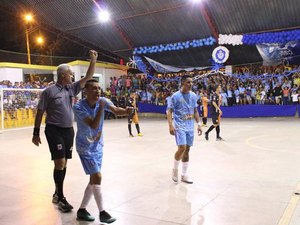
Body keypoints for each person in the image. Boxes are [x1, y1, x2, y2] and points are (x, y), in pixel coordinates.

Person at [32, 50, 98, 212]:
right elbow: (40, 111)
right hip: (54, 129)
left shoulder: (71, 89)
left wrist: (93, 60)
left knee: (64, 162)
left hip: (69, 130)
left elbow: (88, 77)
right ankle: (61, 197)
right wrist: (35, 133)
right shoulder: (49, 91)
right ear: (63, 75)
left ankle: (57, 192)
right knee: (60, 162)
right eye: (70, 74)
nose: (72, 76)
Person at [73, 79, 132, 223]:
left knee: (93, 179)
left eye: (99, 88)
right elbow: (93, 124)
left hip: (98, 146)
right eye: (93, 88)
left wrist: (126, 111)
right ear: (85, 91)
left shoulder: (103, 100)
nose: (97, 91)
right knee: (97, 176)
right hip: (84, 147)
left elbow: (116, 111)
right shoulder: (78, 107)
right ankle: (103, 213)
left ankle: (82, 210)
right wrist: (101, 107)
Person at [167, 75, 202, 184]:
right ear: (182, 83)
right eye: (188, 82)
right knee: (181, 147)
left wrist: (199, 124)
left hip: (190, 126)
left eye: (191, 82)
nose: (190, 84)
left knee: (187, 150)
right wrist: (170, 125)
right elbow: (169, 111)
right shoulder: (175, 96)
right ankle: (175, 170)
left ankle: (184, 175)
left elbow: (195, 111)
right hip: (179, 126)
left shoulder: (193, 96)